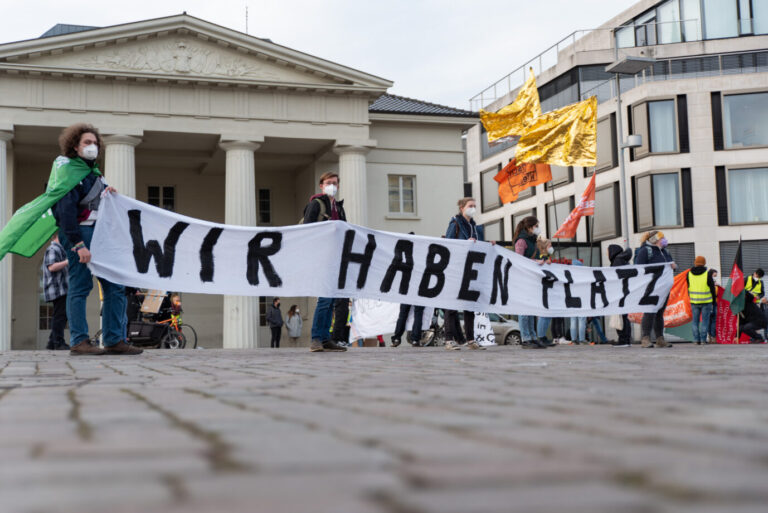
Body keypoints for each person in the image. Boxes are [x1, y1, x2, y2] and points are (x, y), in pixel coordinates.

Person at [52, 124, 139, 355]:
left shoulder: (95, 175)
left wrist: (108, 194)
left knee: (115, 286)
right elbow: (65, 212)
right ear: (75, 146)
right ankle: (79, 341)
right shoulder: (69, 173)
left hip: (101, 234)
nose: (93, 147)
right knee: (80, 286)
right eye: (87, 143)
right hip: (81, 234)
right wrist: (77, 243)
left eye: (95, 143)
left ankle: (113, 339)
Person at [303, 171, 348, 352]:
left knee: (331, 301)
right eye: (329, 182)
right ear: (321, 185)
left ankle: (325, 338)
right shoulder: (316, 204)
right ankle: (316, 338)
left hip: (335, 257)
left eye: (335, 183)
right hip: (321, 255)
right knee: (324, 299)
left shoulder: (339, 207)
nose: (332, 186)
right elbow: (307, 229)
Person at [443, 198, 490, 351]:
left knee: (470, 305)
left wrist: (489, 244)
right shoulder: (455, 224)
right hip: (457, 270)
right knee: (452, 306)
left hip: (471, 270)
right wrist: (465, 243)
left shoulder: (474, 226)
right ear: (462, 207)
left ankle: (470, 339)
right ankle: (449, 340)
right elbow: (449, 244)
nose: (473, 208)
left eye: (475, 206)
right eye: (470, 206)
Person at [634, 230, 677, 348]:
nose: (664, 240)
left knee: (659, 313)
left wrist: (673, 266)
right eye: (661, 238)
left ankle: (659, 339)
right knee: (649, 311)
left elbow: (670, 266)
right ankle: (645, 338)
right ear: (654, 240)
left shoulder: (665, 252)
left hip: (663, 288)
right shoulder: (645, 251)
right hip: (651, 287)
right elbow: (639, 269)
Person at [513, 215, 548, 349]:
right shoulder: (521, 241)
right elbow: (519, 260)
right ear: (529, 227)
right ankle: (526, 338)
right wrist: (535, 262)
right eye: (536, 226)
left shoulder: (533, 241)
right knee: (524, 310)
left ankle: (533, 337)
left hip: (530, 278)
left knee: (531, 308)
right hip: (522, 278)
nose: (538, 229)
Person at [42, 232, 69, 350]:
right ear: (57, 236)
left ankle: (52, 343)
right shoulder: (53, 248)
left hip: (61, 288)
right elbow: (52, 267)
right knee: (60, 316)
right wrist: (68, 261)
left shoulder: (59, 249)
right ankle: (58, 342)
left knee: (61, 315)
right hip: (57, 288)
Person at [687, 256, 716, 345]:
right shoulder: (707, 274)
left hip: (694, 301)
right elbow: (712, 289)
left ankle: (696, 340)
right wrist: (714, 301)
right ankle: (703, 340)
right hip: (706, 302)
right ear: (704, 263)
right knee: (705, 321)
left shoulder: (689, 274)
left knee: (695, 322)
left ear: (695, 263)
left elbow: (688, 286)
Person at [608, 244, 633, 347]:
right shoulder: (624, 260)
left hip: (619, 292)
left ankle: (623, 339)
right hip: (625, 291)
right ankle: (626, 339)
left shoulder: (617, 261)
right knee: (624, 316)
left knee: (620, 317)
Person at [534, 238, 556, 347]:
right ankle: (541, 336)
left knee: (548, 314)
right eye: (550, 245)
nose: (551, 247)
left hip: (547, 287)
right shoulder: (541, 257)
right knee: (543, 314)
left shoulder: (547, 257)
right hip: (541, 288)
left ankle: (544, 336)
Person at [745, 269, 766, 340]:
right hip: (746, 303)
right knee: (747, 319)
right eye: (757, 276)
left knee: (756, 320)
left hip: (756, 304)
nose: (757, 277)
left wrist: (759, 296)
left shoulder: (761, 282)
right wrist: (748, 293)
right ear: (754, 273)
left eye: (759, 277)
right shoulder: (747, 279)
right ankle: (748, 336)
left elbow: (762, 293)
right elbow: (740, 288)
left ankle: (755, 337)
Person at [708, 270, 719, 343]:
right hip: (711, 302)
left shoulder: (713, 282)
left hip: (710, 302)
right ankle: (712, 336)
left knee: (709, 320)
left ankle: (710, 336)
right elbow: (714, 292)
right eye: (715, 275)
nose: (716, 276)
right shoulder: (711, 283)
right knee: (712, 320)